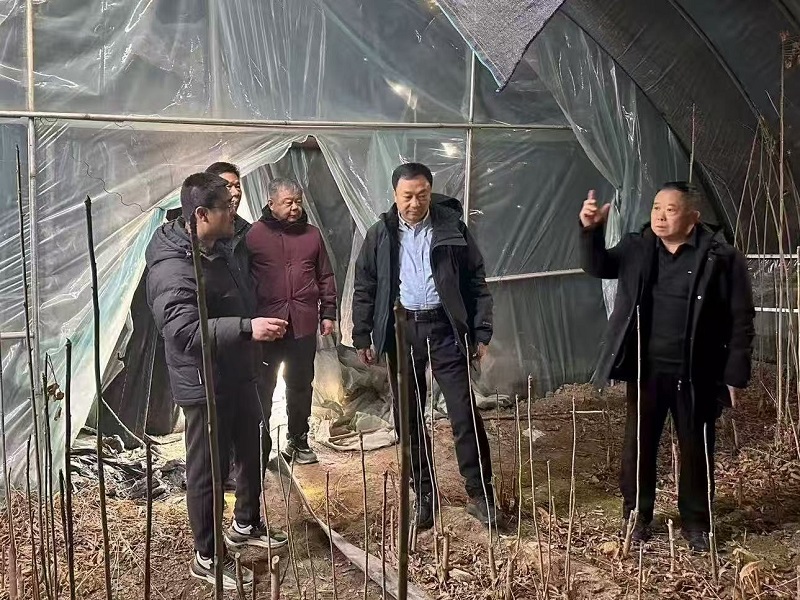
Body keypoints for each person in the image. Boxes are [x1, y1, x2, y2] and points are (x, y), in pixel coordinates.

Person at [579, 182, 754, 552]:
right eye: (656, 207)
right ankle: (637, 516)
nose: (660, 216)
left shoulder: (721, 257)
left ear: (693, 218)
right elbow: (598, 266)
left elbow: (741, 318)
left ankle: (696, 523)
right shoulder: (638, 247)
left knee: (696, 448)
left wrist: (734, 374)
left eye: (670, 210)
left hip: (698, 371)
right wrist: (591, 231)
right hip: (647, 370)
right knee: (639, 446)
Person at [146, 172, 289, 589]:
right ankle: (207, 556)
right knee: (207, 469)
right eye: (227, 207)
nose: (234, 211)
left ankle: (245, 524)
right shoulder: (172, 266)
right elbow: (184, 331)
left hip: (239, 370)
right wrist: (248, 327)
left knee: (253, 444)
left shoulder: (219, 246)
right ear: (202, 214)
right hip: (204, 381)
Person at [351, 162, 496, 529]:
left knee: (463, 411)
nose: (415, 203)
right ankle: (425, 494)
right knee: (408, 415)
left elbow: (476, 280)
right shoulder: (380, 235)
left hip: (444, 328)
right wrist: (362, 334)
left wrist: (481, 332)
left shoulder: (451, 229)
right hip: (402, 330)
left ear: (431, 193)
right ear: (394, 195)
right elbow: (365, 286)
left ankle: (480, 493)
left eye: (422, 195)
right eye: (407, 196)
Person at [246, 177, 337, 465]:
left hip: (302, 323)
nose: (295, 207)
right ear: (271, 204)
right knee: (263, 386)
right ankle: (258, 447)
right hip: (266, 325)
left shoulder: (312, 236)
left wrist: (328, 313)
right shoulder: (253, 235)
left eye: (298, 201)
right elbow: (242, 279)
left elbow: (325, 276)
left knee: (300, 384)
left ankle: (298, 439)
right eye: (288, 202)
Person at [205, 162, 249, 490]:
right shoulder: (198, 234)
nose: (233, 192)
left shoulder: (246, 231)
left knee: (242, 408)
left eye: (237, 185)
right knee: (212, 414)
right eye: (226, 186)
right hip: (210, 335)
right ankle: (213, 475)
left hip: (241, 331)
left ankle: (237, 469)